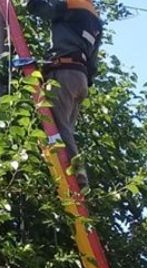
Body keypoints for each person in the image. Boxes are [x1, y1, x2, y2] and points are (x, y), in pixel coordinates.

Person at [26, 0, 103, 189]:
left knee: (60, 129)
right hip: (80, 78)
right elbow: (93, 63)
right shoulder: (95, 20)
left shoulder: (73, 4)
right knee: (65, 130)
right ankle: (70, 172)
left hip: (64, 73)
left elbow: (42, 9)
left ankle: (79, 174)